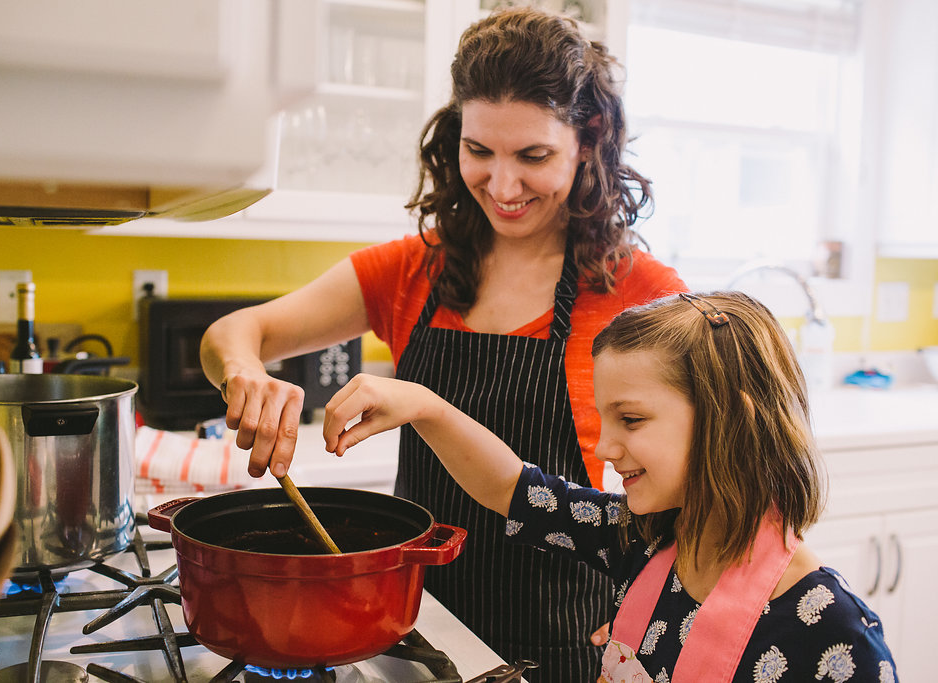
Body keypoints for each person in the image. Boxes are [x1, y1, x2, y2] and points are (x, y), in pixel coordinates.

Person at [200, 7, 685, 680]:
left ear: (588, 142)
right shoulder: (412, 270)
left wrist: (663, 596)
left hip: (568, 647)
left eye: (533, 156)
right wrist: (244, 375)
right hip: (412, 635)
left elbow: (694, 488)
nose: (503, 185)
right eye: (480, 151)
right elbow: (234, 333)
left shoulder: (640, 292)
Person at [322, 291, 898, 682]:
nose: (604, 447)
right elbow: (511, 488)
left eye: (632, 419)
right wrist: (425, 406)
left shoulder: (833, 632)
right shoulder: (642, 540)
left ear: (730, 419)